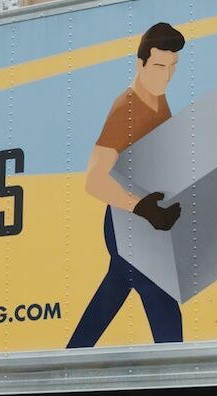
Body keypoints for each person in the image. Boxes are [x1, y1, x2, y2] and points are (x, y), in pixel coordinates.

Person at [67, 22, 188, 348]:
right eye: (159, 66)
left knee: (113, 289)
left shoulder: (158, 101)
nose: (166, 76)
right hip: (127, 225)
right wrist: (142, 208)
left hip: (145, 222)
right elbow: (94, 179)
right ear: (141, 63)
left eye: (173, 67)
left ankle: (72, 356)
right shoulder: (128, 109)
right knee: (161, 297)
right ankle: (180, 381)